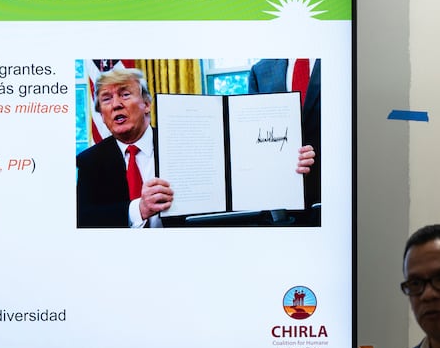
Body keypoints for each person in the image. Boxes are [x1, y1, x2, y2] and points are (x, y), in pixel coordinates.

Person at [77, 67, 315, 228]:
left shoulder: (187, 143)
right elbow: (82, 219)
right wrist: (137, 209)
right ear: (101, 112)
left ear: (147, 104)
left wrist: (286, 163)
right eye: (106, 99)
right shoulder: (89, 161)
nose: (116, 104)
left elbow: (244, 172)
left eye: (125, 94)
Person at [248, 59, 321, 224]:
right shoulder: (260, 71)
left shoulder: (342, 61)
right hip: (279, 206)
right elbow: (253, 134)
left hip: (333, 197)